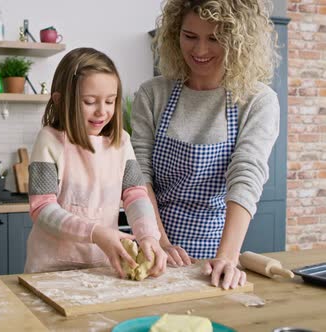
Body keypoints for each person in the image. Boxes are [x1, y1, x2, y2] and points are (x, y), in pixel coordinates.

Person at [131, 0, 280, 289]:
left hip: (218, 251)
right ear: (176, 33)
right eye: (190, 36)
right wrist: (159, 242)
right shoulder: (153, 94)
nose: (199, 51)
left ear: (239, 40)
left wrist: (226, 257)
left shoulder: (257, 101)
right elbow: (139, 175)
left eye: (215, 38)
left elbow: (246, 175)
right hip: (152, 247)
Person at [24, 48, 167, 278]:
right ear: (60, 101)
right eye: (90, 102)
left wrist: (149, 236)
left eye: (110, 101)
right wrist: (96, 232)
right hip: (50, 271)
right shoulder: (50, 140)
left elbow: (136, 194)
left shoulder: (121, 141)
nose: (102, 111)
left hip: (103, 268)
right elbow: (42, 208)